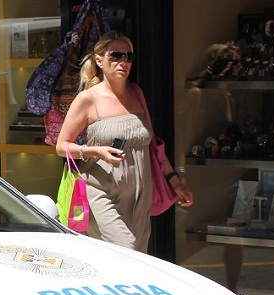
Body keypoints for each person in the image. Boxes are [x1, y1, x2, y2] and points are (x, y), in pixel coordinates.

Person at [55, 31, 194, 253]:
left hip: (139, 196)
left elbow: (152, 146)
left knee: (134, 256)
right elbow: (62, 146)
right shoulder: (88, 99)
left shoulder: (136, 94)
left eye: (129, 57)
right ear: (99, 60)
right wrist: (95, 151)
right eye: (116, 55)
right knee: (125, 249)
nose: (124, 62)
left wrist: (175, 182)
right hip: (102, 191)